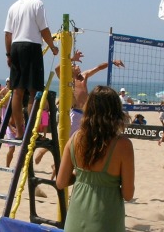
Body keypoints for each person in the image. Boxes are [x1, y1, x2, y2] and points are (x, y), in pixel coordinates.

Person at [56, 86, 135, 231]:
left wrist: (79, 175)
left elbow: (60, 182)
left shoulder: (75, 139)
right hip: (106, 220)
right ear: (116, 112)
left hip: (76, 219)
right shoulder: (123, 145)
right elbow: (128, 194)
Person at [4, 0, 59, 139]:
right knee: (34, 90)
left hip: (15, 46)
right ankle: (30, 131)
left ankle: (20, 132)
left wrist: (8, 54)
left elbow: (7, 34)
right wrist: (53, 47)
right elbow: (44, 30)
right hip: (31, 47)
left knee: (17, 91)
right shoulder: (37, 4)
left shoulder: (13, 7)